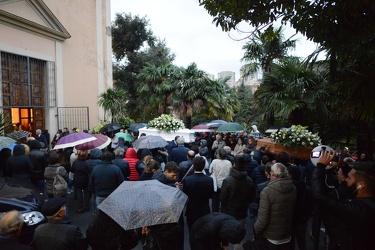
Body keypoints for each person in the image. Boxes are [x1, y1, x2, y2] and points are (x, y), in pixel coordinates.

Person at [312, 150, 375, 249]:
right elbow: (357, 175)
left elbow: (321, 197)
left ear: (361, 186)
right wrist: (343, 165)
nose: (345, 180)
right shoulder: (368, 199)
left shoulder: (360, 210)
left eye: (349, 178)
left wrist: (320, 167)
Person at [253, 163, 296, 249]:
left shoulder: (267, 191)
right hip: (286, 234)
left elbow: (262, 219)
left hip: (270, 237)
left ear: (272, 174)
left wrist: (255, 232)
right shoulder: (293, 188)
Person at [183, 156, 215, 231]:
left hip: (191, 210)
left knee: (192, 230)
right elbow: (211, 195)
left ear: (193, 166)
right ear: (204, 166)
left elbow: (185, 196)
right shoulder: (209, 179)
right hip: (204, 209)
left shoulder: (187, 180)